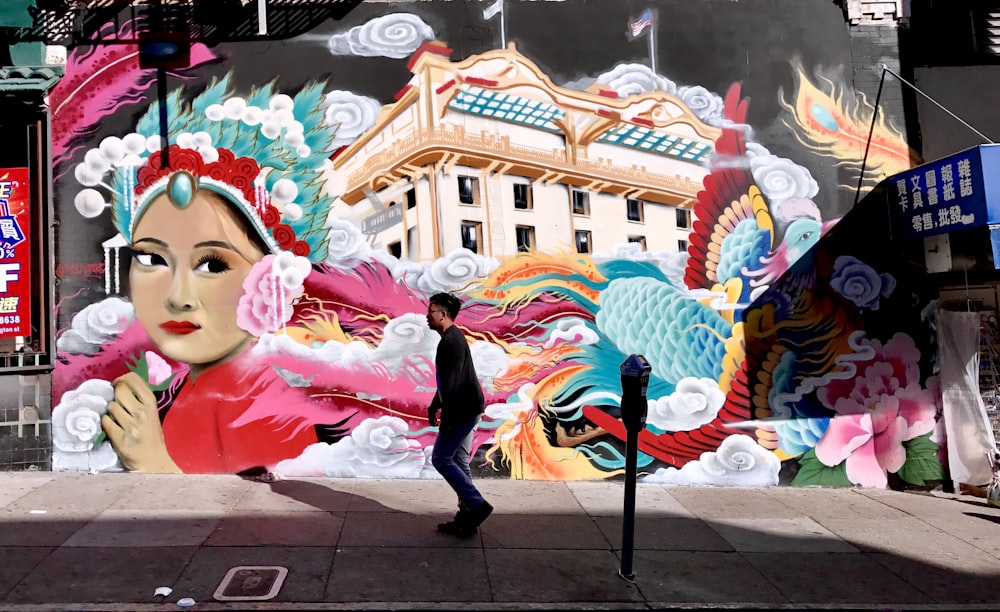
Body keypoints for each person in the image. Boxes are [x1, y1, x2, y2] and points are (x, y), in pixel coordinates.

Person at [72, 76, 341, 473]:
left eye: (213, 264)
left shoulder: (264, 400)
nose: (178, 296)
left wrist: (151, 462)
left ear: (275, 278)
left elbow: (271, 521)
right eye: (151, 259)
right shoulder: (196, 383)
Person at [426, 292, 493, 536]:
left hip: (463, 411)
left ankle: (476, 504)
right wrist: (435, 404)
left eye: (431, 311)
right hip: (469, 408)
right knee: (459, 460)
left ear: (443, 314)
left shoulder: (451, 341)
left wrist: (448, 420)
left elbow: (453, 385)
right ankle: (468, 516)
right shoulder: (451, 338)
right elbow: (447, 380)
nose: (427, 316)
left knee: (441, 458)